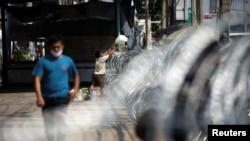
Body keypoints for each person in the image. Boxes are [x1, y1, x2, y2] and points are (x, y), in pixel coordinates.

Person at [32, 34, 80, 141]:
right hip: (47, 98)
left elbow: (75, 76)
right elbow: (37, 80)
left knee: (60, 124)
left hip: (62, 98)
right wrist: (39, 97)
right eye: (54, 47)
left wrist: (75, 90)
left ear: (62, 46)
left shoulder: (68, 61)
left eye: (58, 47)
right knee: (49, 126)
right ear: (50, 47)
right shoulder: (43, 62)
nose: (56, 49)